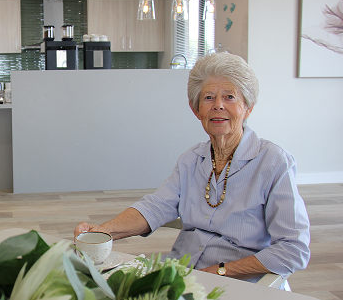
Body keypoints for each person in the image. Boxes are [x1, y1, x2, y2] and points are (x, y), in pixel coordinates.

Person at [75, 53, 310, 281]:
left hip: (238, 284)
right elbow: (155, 208)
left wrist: (217, 272)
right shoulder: (191, 159)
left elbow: (294, 249)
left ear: (248, 107)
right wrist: (101, 232)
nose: (218, 106)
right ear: (195, 109)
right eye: (208, 98)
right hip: (179, 272)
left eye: (229, 97)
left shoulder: (274, 162)